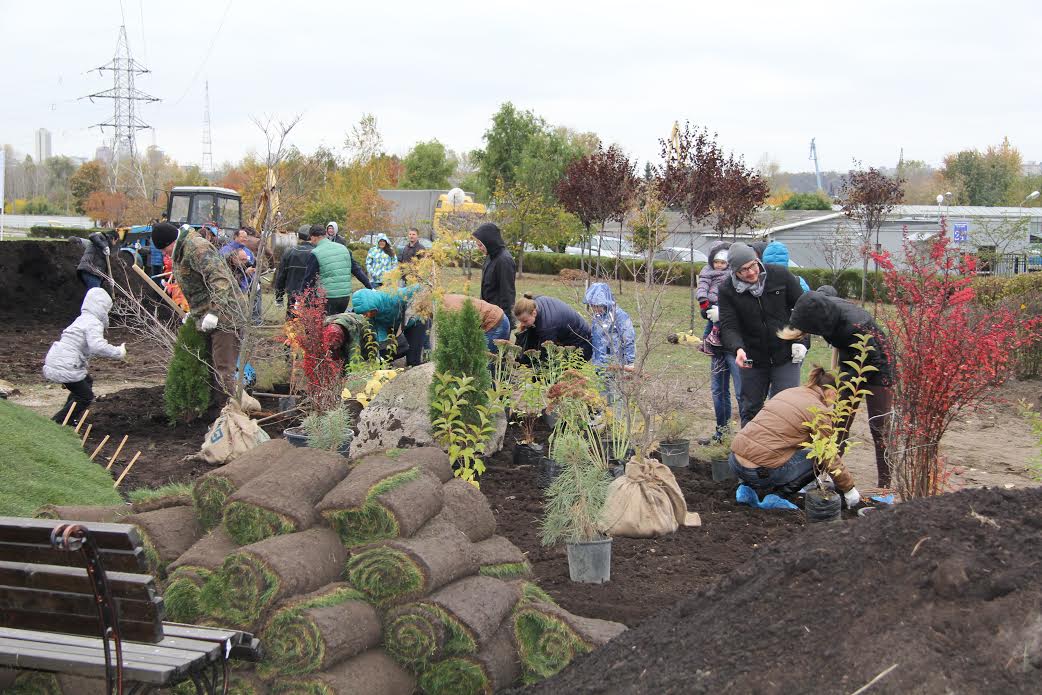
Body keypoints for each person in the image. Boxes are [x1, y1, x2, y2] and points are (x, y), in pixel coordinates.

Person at [781, 290, 895, 488]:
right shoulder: (825, 309)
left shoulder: (854, 324)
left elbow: (872, 359)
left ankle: (885, 485)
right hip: (851, 359)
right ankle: (824, 475)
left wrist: (845, 385)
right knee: (838, 425)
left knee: (879, 427)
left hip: (878, 365)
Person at [728, 366, 861, 506]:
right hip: (758, 472)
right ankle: (776, 498)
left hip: (735, 462)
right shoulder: (819, 411)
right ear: (831, 392)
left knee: (768, 445)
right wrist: (848, 488)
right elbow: (828, 454)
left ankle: (747, 490)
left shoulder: (790, 392)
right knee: (818, 458)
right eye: (836, 396)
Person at [717, 242, 809, 425]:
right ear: (734, 272)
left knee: (786, 407)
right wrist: (738, 349)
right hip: (752, 357)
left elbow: (804, 309)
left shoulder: (780, 276)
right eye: (743, 270)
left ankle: (784, 452)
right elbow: (729, 326)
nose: (751, 272)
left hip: (785, 353)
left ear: (757, 260)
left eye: (753, 265)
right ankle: (750, 452)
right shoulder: (727, 290)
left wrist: (802, 341)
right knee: (751, 408)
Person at [151, 221, 246, 399]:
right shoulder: (181, 251)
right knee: (208, 365)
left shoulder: (197, 249)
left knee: (223, 368)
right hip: (206, 314)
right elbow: (197, 287)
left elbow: (220, 280)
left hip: (226, 315)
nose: (165, 254)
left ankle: (228, 414)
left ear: (171, 242)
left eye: (164, 249)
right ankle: (214, 408)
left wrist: (214, 312)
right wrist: (194, 313)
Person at [43, 288, 127, 426]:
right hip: (66, 364)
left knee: (86, 382)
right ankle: (58, 422)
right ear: (102, 308)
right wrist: (118, 352)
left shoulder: (82, 319)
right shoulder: (94, 322)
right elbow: (97, 346)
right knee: (85, 396)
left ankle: (68, 417)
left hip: (57, 358)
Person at [697, 242, 743, 441]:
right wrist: (706, 309)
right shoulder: (708, 276)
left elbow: (746, 313)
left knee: (743, 393)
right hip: (717, 344)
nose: (719, 265)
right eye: (716, 261)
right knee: (718, 391)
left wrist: (722, 314)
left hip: (738, 348)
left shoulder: (741, 281)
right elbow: (704, 311)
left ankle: (748, 438)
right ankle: (722, 434)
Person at [351, 285, 427, 366]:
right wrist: (381, 357)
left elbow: (420, 287)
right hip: (394, 324)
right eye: (363, 314)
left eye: (366, 312)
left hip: (414, 321)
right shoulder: (372, 316)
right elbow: (379, 334)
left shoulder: (392, 296)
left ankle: (423, 356)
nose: (365, 316)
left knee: (413, 361)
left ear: (373, 304)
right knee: (386, 354)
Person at [514, 295, 593, 361]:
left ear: (534, 313)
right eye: (520, 321)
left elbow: (547, 357)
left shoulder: (547, 327)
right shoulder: (536, 302)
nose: (522, 324)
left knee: (562, 373)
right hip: (566, 337)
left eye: (524, 321)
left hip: (581, 345)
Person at [302, 224, 357, 315]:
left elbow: (308, 280)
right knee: (337, 324)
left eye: (311, 238)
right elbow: (356, 269)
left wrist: (302, 298)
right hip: (345, 296)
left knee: (326, 325)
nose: (311, 241)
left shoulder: (316, 252)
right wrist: (370, 287)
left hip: (328, 297)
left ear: (314, 237)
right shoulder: (343, 248)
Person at [583, 283, 635, 370]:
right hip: (598, 363)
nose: (594, 309)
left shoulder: (619, 316)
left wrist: (629, 362)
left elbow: (628, 338)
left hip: (614, 363)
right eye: (592, 305)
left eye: (596, 306)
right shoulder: (597, 317)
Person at [473, 223, 516, 328]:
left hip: (498, 319)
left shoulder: (504, 260)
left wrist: (506, 322)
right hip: (487, 314)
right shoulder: (490, 256)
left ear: (489, 242)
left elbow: (507, 293)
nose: (479, 248)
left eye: (480, 245)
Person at [439, 294, 511, 352]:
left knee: (485, 362)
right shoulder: (441, 300)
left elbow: (462, 336)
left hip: (496, 323)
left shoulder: (450, 310)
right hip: (492, 321)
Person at [274, 225, 315, 318]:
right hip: (312, 294)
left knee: (292, 324)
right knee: (310, 325)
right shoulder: (317, 252)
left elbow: (281, 276)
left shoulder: (289, 252)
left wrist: (279, 296)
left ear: (298, 236)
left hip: (293, 294)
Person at [325, 221, 374, 290]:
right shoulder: (325, 240)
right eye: (329, 228)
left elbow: (344, 252)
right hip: (328, 264)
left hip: (339, 262)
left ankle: (369, 286)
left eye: (332, 228)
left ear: (335, 229)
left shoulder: (340, 240)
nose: (330, 230)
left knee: (356, 269)